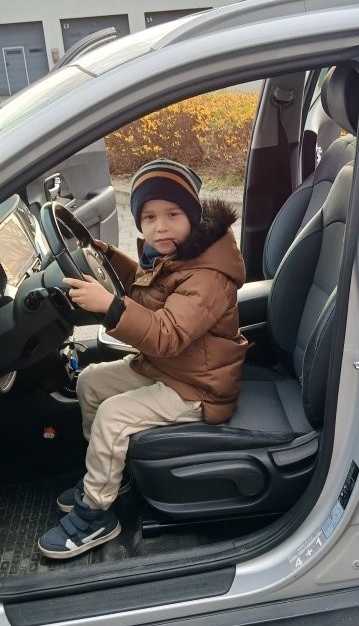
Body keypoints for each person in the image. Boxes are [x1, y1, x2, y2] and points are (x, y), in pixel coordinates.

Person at [38, 158, 247, 560]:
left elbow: (167, 334)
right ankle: (109, 477)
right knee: (90, 382)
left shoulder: (208, 275)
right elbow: (145, 288)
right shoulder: (176, 255)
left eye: (172, 214)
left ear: (193, 216)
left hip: (198, 387)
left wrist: (111, 307)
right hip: (170, 369)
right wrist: (101, 254)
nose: (160, 227)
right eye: (149, 217)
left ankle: (96, 513)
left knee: (113, 416)